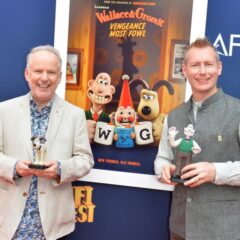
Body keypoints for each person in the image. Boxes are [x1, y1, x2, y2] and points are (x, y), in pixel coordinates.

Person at [0, 45, 94, 239]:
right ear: (27, 74)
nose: (44, 78)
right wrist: (13, 167)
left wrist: (60, 169)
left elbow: (85, 160)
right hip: (8, 220)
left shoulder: (76, 115)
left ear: (60, 77)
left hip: (52, 225)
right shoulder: (3, 110)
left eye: (51, 72)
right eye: (38, 71)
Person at [154, 37, 240, 240]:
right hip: (180, 228)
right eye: (195, 65)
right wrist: (162, 170)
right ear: (185, 70)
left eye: (208, 64)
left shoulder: (237, 111)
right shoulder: (173, 116)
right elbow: (163, 157)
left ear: (219, 68)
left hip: (225, 231)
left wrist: (215, 172)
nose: (202, 72)